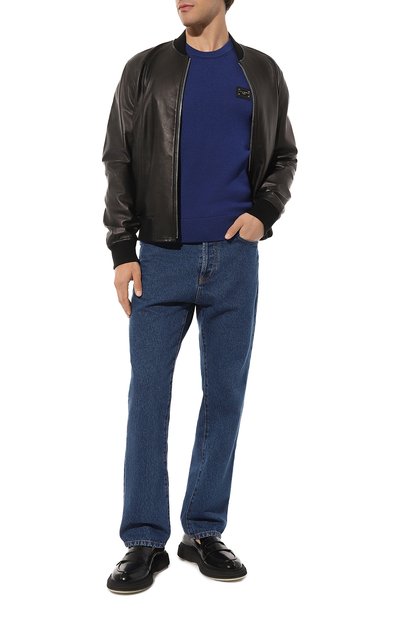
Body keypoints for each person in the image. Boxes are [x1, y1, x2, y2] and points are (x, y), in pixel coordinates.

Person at [102, 0, 297, 594]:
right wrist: (122, 248)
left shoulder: (259, 71)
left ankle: (203, 530)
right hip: (160, 259)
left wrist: (264, 213)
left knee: (225, 395)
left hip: (234, 259)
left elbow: (283, 156)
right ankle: (143, 540)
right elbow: (119, 158)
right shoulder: (144, 68)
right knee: (148, 396)